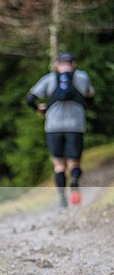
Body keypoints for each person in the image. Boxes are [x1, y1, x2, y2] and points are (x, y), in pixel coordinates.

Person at [26, 52, 95, 207]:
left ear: (57, 65)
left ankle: (61, 197)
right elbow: (90, 98)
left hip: (53, 127)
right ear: (73, 64)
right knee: (74, 162)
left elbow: (30, 98)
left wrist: (39, 109)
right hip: (76, 126)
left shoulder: (49, 79)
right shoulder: (83, 77)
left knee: (58, 164)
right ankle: (75, 181)